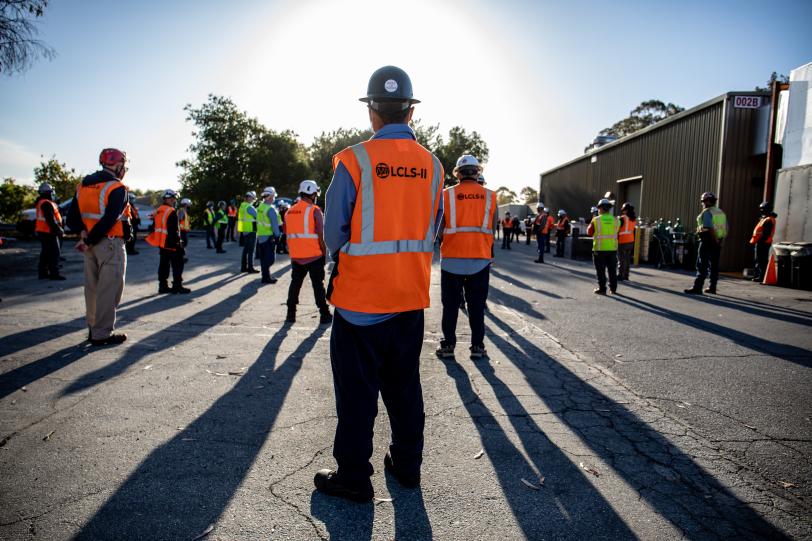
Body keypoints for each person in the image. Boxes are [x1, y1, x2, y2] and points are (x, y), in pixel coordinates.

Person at [316, 65, 443, 503]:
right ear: (411, 112)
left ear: (373, 112)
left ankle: (353, 476)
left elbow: (333, 233)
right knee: (405, 387)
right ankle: (407, 466)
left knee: (357, 393)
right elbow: (434, 227)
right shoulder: (433, 165)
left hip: (359, 302)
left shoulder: (354, 160)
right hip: (409, 297)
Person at [435, 155, 496, 360]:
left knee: (450, 307)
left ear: (458, 173)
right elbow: (492, 228)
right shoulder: (490, 196)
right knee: (477, 307)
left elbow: (439, 228)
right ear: (477, 172)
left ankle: (448, 345)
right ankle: (477, 346)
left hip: (452, 258)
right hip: (480, 258)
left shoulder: (447, 195)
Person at [66, 148, 129, 345]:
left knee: (92, 288)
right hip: (109, 244)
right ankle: (102, 333)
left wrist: (83, 235)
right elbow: (109, 220)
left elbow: (71, 218)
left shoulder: (84, 185)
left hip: (90, 247)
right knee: (110, 290)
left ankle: (93, 329)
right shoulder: (117, 188)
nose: (124, 169)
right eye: (123, 165)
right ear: (118, 165)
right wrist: (89, 239)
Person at [282, 181, 331, 322]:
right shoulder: (315, 210)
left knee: (295, 284)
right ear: (314, 194)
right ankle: (324, 314)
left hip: (296, 256)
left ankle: (290, 314)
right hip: (314, 255)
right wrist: (324, 252)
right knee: (318, 286)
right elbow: (321, 235)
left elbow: (287, 233)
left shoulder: (289, 211)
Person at [146, 190, 189, 294]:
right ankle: (177, 286)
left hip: (162, 243)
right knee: (178, 264)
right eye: (173, 198)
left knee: (164, 265)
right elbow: (175, 230)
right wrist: (179, 243)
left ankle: (163, 286)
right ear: (169, 198)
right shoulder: (171, 211)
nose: (174, 200)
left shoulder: (159, 210)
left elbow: (154, 227)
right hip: (172, 244)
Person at [685, 191, 727, 295]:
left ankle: (697, 287)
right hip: (718, 241)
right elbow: (725, 228)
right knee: (714, 265)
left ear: (707, 201)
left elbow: (709, 227)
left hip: (708, 241)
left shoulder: (707, 212)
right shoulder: (720, 212)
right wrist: (719, 240)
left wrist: (714, 239)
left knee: (702, 265)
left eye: (703, 201)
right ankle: (712, 287)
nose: (702, 203)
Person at [587, 198, 619, 295]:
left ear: (600, 208)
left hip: (599, 249)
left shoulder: (596, 220)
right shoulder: (616, 220)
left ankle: (602, 289)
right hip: (612, 249)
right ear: (609, 209)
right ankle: (613, 289)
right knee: (612, 270)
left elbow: (589, 232)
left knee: (600, 270)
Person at [34, 182, 65, 280]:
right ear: (47, 192)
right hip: (48, 231)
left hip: (44, 231)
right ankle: (54, 273)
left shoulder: (43, 202)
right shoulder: (46, 203)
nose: (52, 194)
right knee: (54, 253)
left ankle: (43, 273)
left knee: (46, 252)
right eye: (50, 192)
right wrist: (58, 229)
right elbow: (50, 219)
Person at [257, 187, 281, 284]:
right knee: (270, 259)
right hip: (269, 237)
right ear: (270, 197)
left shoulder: (260, 207)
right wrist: (278, 236)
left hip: (261, 237)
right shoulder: (270, 209)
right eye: (273, 196)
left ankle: (265, 277)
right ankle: (266, 277)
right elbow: (275, 225)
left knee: (263, 259)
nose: (274, 198)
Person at [750, 201, 776, 282]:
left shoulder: (768, 220)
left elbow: (765, 233)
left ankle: (761, 276)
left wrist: (760, 241)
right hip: (761, 242)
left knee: (761, 259)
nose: (761, 210)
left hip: (763, 242)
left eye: (762, 209)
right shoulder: (766, 218)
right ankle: (758, 275)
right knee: (759, 259)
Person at [238, 191, 258, 272]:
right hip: (251, 230)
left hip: (245, 230)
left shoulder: (242, 206)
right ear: (249, 198)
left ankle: (243, 267)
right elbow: (258, 216)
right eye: (253, 198)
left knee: (246, 249)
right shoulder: (249, 207)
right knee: (251, 251)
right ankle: (250, 267)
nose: (253, 200)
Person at [617, 202, 636, 281]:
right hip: (631, 241)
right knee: (627, 259)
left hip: (623, 241)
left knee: (621, 259)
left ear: (626, 210)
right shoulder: (633, 219)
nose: (622, 211)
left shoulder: (622, 218)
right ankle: (626, 275)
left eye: (623, 210)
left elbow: (616, 228)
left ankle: (620, 275)